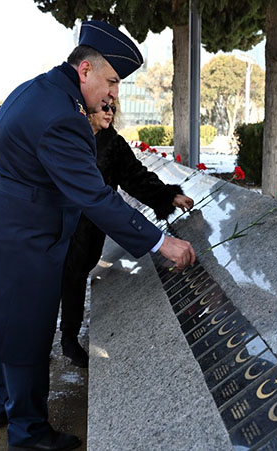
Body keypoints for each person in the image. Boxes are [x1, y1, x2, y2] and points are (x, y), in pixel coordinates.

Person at [0, 20, 195, 451]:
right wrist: (160, 242)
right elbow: (94, 197)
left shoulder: (37, 89)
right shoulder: (64, 116)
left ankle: (1, 404)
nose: (114, 94)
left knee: (3, 325)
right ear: (85, 71)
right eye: (112, 81)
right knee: (24, 336)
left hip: (1, 228)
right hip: (25, 239)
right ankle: (28, 432)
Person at [60, 99, 193, 368]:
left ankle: (69, 339)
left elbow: (135, 177)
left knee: (74, 281)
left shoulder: (112, 143)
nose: (110, 112)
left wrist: (169, 196)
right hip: (59, 227)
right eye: (104, 107)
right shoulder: (67, 138)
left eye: (113, 108)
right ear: (87, 109)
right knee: (47, 286)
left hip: (89, 232)